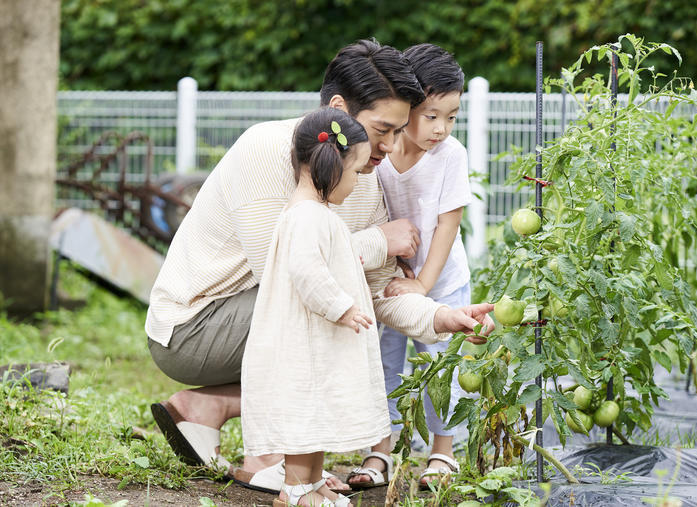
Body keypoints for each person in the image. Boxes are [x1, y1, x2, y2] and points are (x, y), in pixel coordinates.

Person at [145, 39, 495, 494]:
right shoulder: (266, 149)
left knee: (347, 313)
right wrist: (376, 241)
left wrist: (439, 318)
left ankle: (210, 409)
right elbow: (287, 273)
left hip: (252, 323)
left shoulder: (364, 180)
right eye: (381, 130)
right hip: (193, 328)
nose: (389, 146)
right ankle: (272, 457)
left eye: (398, 131)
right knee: (326, 308)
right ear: (338, 108)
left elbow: (378, 294)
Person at [241, 107, 386, 507]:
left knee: (316, 416)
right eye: (356, 171)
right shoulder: (307, 216)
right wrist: (341, 307)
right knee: (304, 419)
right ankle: (295, 491)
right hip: (304, 340)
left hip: (315, 340)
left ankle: (313, 482)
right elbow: (307, 272)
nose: (357, 183)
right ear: (331, 165)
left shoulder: (316, 213)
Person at [375, 43, 472, 489]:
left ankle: (442, 451)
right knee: (383, 362)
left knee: (439, 364)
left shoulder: (450, 156)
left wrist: (425, 284)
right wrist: (399, 275)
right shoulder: (380, 154)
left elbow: (448, 223)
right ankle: (382, 450)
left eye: (452, 117)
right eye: (431, 115)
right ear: (406, 103)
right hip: (393, 282)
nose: (442, 128)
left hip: (443, 281)